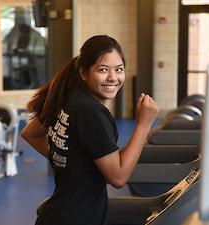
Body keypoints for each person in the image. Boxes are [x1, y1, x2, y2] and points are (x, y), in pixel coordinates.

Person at [21, 35, 159, 225]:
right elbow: (118, 177)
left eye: (119, 70)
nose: (113, 77)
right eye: (103, 70)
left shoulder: (68, 96)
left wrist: (70, 161)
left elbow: (30, 134)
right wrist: (144, 124)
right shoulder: (91, 111)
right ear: (84, 73)